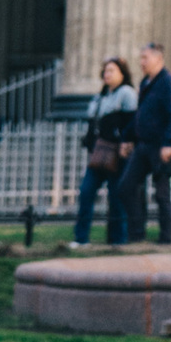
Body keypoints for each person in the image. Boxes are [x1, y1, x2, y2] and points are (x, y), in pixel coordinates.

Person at [117, 44, 171, 248]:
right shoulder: (147, 83)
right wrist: (127, 137)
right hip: (144, 145)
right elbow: (142, 115)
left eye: (145, 58)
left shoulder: (168, 82)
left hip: (161, 146)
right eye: (141, 58)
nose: (141, 62)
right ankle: (137, 235)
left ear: (158, 58)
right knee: (126, 187)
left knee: (162, 192)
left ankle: (166, 238)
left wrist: (168, 143)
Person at [72, 58, 135, 248]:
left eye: (112, 71)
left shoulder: (126, 94)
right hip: (100, 154)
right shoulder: (100, 98)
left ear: (122, 74)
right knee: (86, 192)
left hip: (117, 154)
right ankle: (81, 238)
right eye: (106, 71)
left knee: (116, 197)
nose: (107, 74)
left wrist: (126, 142)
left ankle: (118, 239)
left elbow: (131, 123)